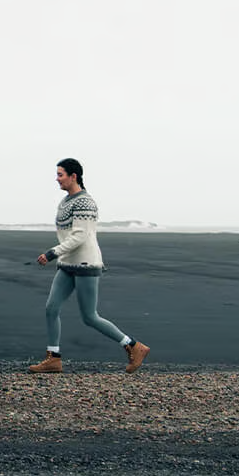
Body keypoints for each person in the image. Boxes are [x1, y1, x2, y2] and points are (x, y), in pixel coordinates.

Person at [29, 158, 150, 374]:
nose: (57, 179)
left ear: (73, 176)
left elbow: (80, 236)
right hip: (67, 264)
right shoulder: (65, 202)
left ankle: (133, 346)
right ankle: (53, 358)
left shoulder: (85, 202)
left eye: (60, 175)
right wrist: (60, 255)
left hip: (85, 264)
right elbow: (67, 234)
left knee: (89, 317)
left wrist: (52, 253)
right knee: (51, 308)